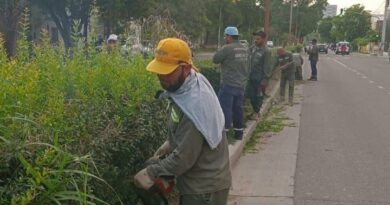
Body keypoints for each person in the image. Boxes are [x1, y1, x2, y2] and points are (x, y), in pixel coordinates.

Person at [134, 38, 231, 205]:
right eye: (159, 71)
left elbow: (183, 159)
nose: (161, 77)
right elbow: (185, 129)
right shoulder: (189, 85)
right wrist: (170, 143)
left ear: (185, 68)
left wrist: (151, 173)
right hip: (203, 182)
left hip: (204, 190)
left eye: (167, 72)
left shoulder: (195, 104)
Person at [212, 26, 249, 140]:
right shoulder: (245, 48)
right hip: (241, 85)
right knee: (238, 109)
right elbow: (249, 66)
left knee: (225, 109)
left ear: (229, 36)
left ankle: (225, 134)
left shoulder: (227, 48)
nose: (225, 38)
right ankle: (239, 133)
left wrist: (220, 49)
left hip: (228, 84)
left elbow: (215, 59)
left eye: (225, 36)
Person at [247, 31, 272, 120]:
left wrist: (265, 79)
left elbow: (267, 66)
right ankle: (255, 111)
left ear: (264, 39)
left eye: (258, 39)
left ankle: (256, 112)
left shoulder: (266, 51)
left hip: (260, 78)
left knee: (258, 96)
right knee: (251, 95)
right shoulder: (253, 48)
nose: (256, 40)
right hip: (251, 76)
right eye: (255, 38)